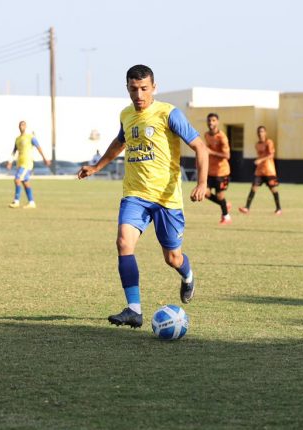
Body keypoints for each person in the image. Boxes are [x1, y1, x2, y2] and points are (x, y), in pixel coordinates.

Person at [77, 64, 208, 329]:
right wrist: (97, 167)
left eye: (144, 89)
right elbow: (120, 142)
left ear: (154, 87)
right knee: (123, 242)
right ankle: (134, 310)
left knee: (172, 258)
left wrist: (202, 183)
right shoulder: (126, 114)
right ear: (127, 88)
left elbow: (200, 147)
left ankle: (187, 275)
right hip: (135, 194)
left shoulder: (169, 113)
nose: (139, 95)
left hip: (166, 199)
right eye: (133, 89)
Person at [239, 125, 282, 215]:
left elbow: (271, 155)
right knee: (253, 188)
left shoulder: (269, 142)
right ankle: (247, 208)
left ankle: (278, 209)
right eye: (259, 132)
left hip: (269, 171)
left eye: (262, 131)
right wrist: (259, 161)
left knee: (273, 190)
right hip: (259, 171)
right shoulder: (257, 144)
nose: (260, 133)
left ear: (265, 133)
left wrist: (260, 160)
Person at [6, 121, 50, 209]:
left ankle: (16, 201)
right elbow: (14, 151)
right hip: (20, 163)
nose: (21, 127)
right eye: (20, 125)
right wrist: (10, 162)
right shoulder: (17, 139)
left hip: (27, 163)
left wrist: (45, 158)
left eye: (23, 125)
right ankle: (31, 202)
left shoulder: (30, 137)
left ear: (26, 126)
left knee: (17, 179)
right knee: (25, 183)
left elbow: (38, 147)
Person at [203, 113, 232, 224]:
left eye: (213, 120)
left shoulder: (222, 137)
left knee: (220, 195)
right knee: (205, 193)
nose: (211, 122)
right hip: (211, 171)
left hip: (222, 171)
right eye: (209, 120)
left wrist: (211, 152)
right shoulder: (206, 135)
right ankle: (225, 204)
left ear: (217, 122)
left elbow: (227, 155)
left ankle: (226, 217)